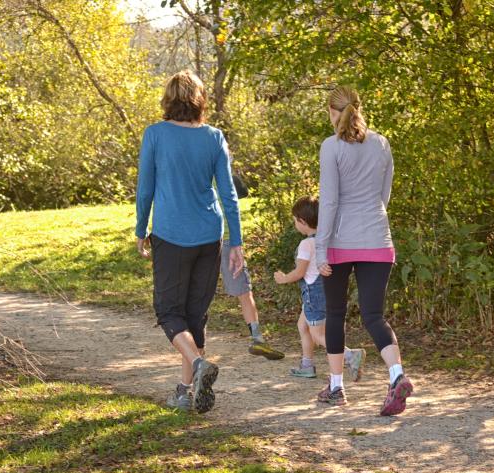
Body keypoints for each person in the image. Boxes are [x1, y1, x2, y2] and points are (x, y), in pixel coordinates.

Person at [135, 69, 242, 413]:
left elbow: (145, 189)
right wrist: (236, 240)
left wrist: (140, 230)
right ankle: (185, 391)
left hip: (170, 234)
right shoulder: (213, 137)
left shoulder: (155, 135)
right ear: (199, 101)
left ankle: (197, 367)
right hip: (208, 235)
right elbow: (229, 194)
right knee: (195, 315)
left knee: (168, 312)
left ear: (168, 100)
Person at [314, 86, 412, 414]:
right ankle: (396, 375)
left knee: (336, 313)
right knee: (373, 315)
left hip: (341, 240)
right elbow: (384, 194)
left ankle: (337, 387)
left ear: (332, 112)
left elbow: (329, 200)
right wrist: (370, 220)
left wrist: (321, 247)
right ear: (359, 108)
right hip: (376, 238)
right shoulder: (382, 143)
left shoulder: (331, 148)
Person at [273, 196, 366, 379]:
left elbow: (300, 272)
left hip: (313, 295)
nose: (295, 224)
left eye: (295, 220)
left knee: (318, 335)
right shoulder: (326, 240)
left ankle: (351, 355)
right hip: (325, 290)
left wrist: (283, 278)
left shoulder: (306, 244)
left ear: (303, 221)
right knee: (302, 325)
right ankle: (307, 365)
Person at [220, 175, 285, 361]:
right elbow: (240, 196)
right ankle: (257, 337)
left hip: (204, 238)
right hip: (225, 240)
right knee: (244, 292)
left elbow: (242, 191)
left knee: (203, 292)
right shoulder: (223, 173)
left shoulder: (198, 171)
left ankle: (191, 338)